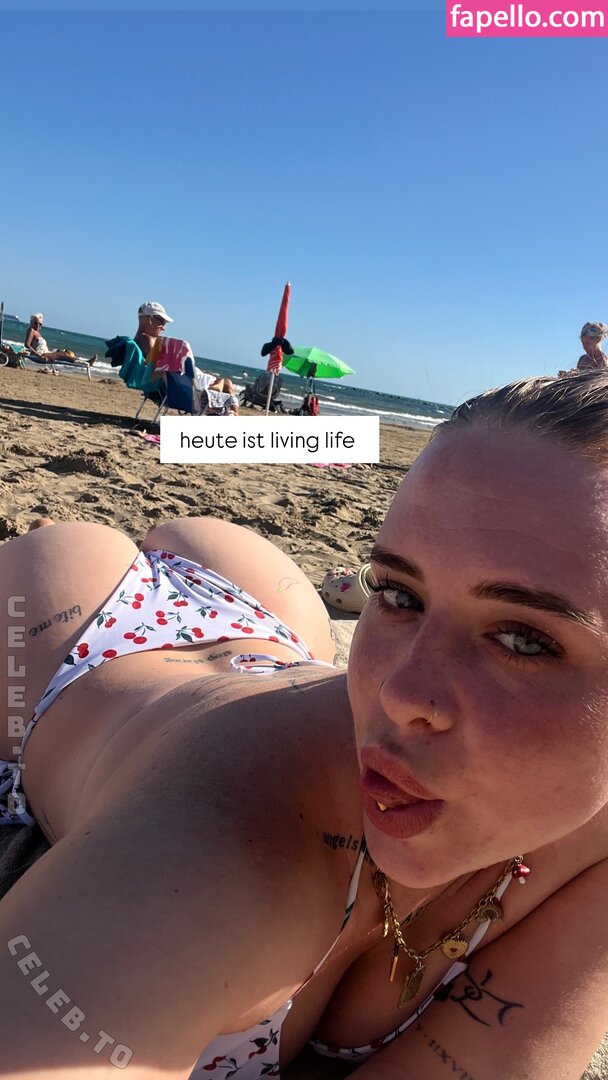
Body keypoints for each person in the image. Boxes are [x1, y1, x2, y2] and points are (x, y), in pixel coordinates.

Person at [0, 372, 607, 1080]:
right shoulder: (209, 858)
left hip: (272, 634)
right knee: (75, 548)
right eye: (398, 593)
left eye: (523, 641)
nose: (397, 694)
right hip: (70, 634)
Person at [23, 314, 97, 366]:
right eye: (36, 323)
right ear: (31, 322)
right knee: (64, 355)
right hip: (41, 355)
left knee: (66, 353)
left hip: (45, 353)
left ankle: (84, 362)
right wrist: (39, 356)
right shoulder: (31, 330)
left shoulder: (37, 332)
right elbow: (27, 345)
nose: (38, 326)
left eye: (40, 324)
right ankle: (85, 363)